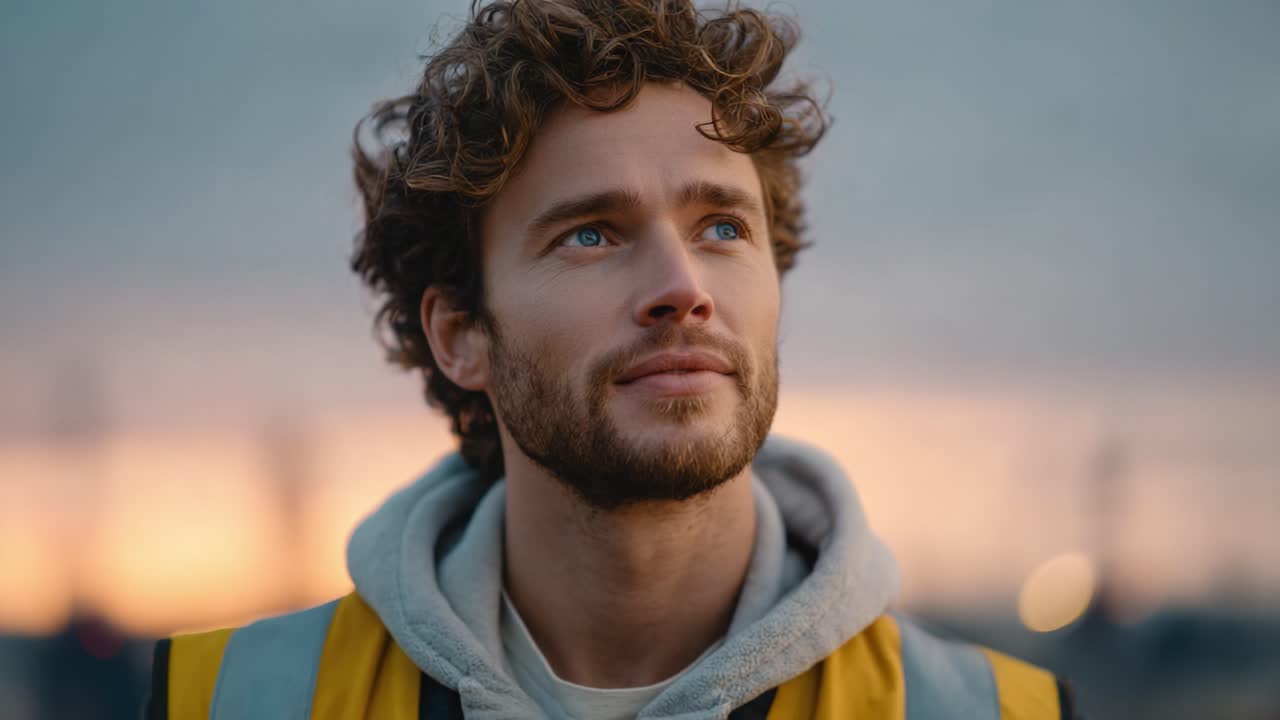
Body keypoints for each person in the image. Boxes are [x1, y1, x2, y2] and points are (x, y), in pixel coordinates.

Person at [147, 0, 1079, 717]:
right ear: (461, 334)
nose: (682, 287)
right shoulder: (224, 701)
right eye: (591, 234)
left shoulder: (999, 711)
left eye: (722, 227)